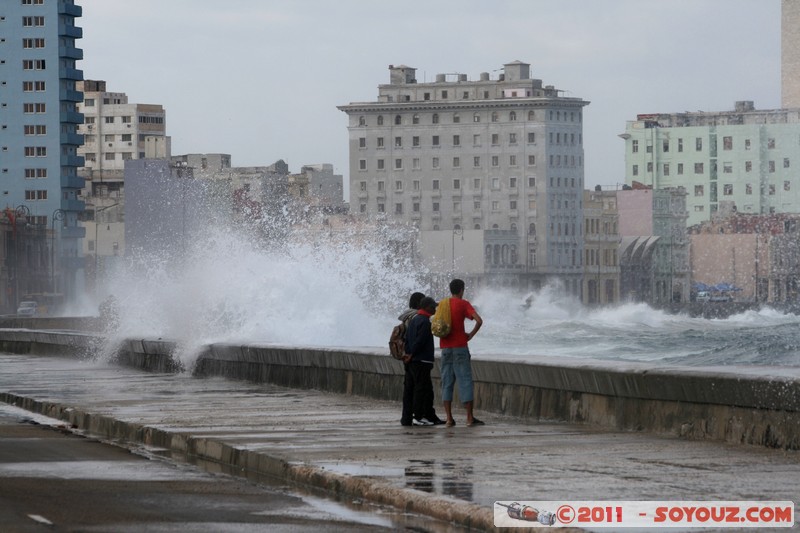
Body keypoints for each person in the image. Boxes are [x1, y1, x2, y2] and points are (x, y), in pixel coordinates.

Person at [439, 278, 484, 427]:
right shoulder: (463, 304)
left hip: (445, 348)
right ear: (461, 290)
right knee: (465, 381)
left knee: (447, 382)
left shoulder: (442, 304)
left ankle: (449, 418)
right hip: (460, 347)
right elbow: (479, 320)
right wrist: (470, 335)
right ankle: (469, 418)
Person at [404, 296, 442, 426]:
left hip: (414, 361)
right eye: (433, 307)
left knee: (417, 389)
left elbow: (408, 339)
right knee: (421, 390)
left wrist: (409, 354)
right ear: (426, 307)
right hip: (422, 360)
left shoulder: (414, 319)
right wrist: (413, 354)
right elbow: (420, 341)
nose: (435, 309)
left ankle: (418, 416)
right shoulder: (425, 322)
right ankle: (418, 417)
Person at [399, 292, 424, 426]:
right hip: (414, 357)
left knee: (408, 389)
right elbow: (418, 339)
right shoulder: (416, 317)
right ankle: (417, 416)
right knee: (418, 388)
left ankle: (406, 418)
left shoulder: (406, 316)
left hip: (407, 355)